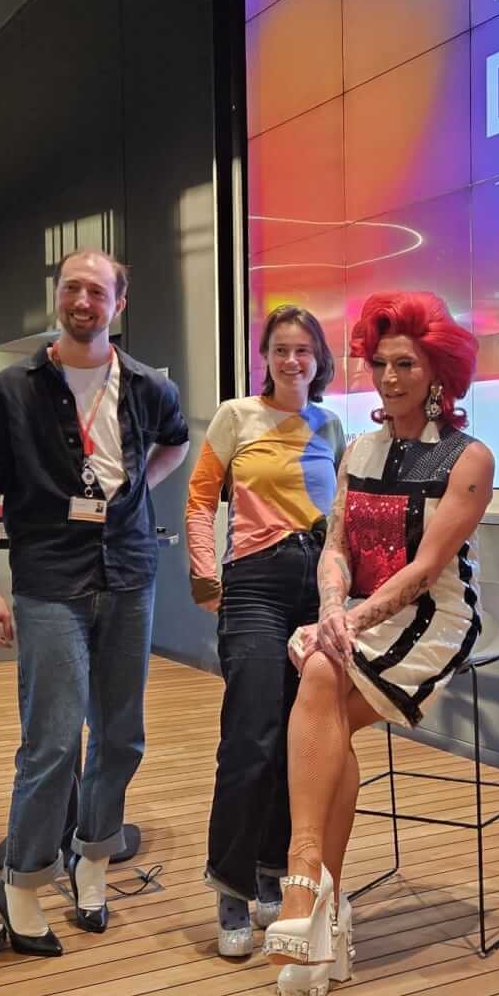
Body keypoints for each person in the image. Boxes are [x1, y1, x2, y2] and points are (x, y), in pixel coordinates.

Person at [261, 291, 492, 996]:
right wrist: (331, 605)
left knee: (320, 681)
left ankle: (307, 885)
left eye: (406, 363)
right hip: (356, 615)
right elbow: (334, 547)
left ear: (438, 373)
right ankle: (320, 908)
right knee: (324, 687)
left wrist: (349, 624)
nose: (390, 378)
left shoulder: (469, 457)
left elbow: (425, 571)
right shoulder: (360, 448)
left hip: (430, 618)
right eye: (380, 363)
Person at [0, 248, 190, 956]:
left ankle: (92, 860)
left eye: (97, 289)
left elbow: (175, 448)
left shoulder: (152, 387)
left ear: (119, 303)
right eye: (71, 287)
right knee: (55, 740)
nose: (82, 299)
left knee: (122, 735)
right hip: (47, 580)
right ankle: (23, 879)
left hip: (128, 572)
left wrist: (127, 499)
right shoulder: (9, 392)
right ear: (56, 297)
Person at [184, 304, 345, 958]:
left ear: (318, 358)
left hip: (316, 588)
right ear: (266, 358)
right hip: (253, 581)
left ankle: (272, 870)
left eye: (303, 350)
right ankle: (230, 883)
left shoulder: (331, 425)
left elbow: (344, 515)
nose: (292, 360)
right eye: (280, 349)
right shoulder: (236, 416)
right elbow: (198, 500)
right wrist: (205, 579)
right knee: (250, 733)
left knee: (297, 740)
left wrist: (341, 593)